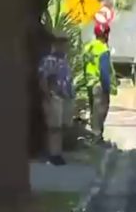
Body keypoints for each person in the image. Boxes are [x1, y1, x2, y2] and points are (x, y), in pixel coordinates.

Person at [38, 30, 75, 165]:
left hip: (64, 97)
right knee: (54, 128)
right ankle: (53, 154)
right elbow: (43, 79)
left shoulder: (64, 60)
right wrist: (47, 95)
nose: (64, 45)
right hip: (54, 97)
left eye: (65, 42)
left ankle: (57, 152)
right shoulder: (49, 60)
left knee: (61, 127)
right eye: (61, 42)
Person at [82, 22, 116, 145]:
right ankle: (97, 138)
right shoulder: (103, 49)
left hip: (89, 83)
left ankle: (95, 136)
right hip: (99, 84)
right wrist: (107, 87)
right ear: (106, 34)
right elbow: (104, 71)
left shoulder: (88, 47)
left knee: (94, 111)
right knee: (101, 111)